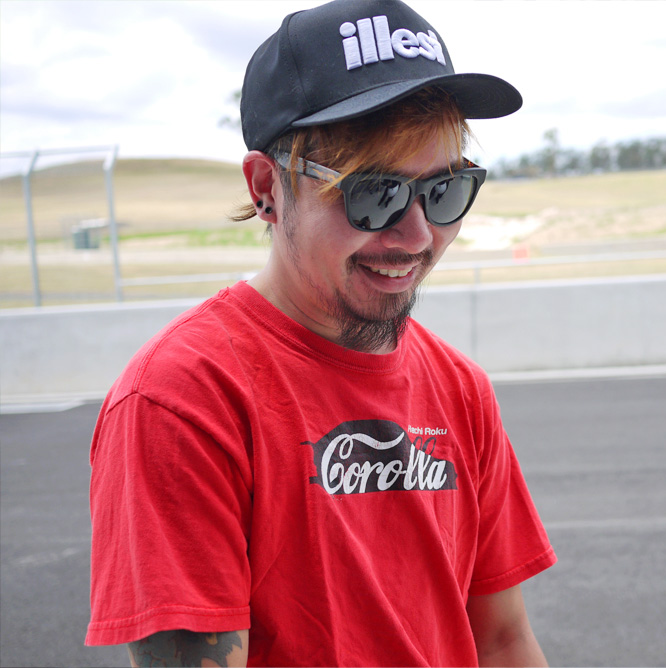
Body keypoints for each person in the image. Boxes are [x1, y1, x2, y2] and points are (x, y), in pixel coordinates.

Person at [84, 0, 556, 665]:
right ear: (266, 188)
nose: (418, 235)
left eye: (445, 191)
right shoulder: (181, 400)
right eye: (374, 194)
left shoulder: (460, 388)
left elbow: (502, 639)